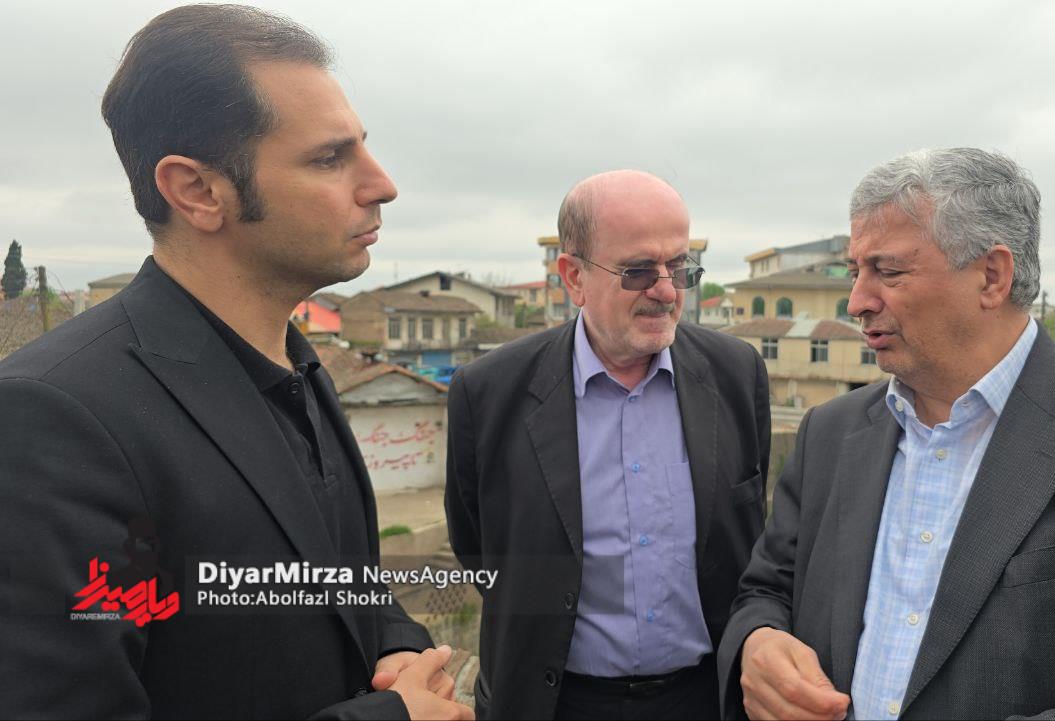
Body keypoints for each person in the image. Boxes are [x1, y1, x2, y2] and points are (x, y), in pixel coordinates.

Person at [0, 5, 472, 719]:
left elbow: (335, 582)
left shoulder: (297, 370)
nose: (381, 184)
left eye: (363, 149)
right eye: (329, 158)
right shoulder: (55, 418)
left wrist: (395, 647)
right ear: (197, 191)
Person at [719, 148, 1055, 720]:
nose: (857, 301)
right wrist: (758, 642)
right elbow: (767, 589)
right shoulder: (830, 432)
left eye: (888, 271)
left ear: (991, 276)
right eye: (856, 270)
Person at [445, 170, 771, 719]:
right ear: (574, 277)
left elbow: (751, 537)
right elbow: (477, 546)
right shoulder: (489, 392)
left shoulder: (736, 373)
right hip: (554, 704)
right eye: (638, 271)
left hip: (707, 699)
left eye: (680, 267)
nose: (665, 291)